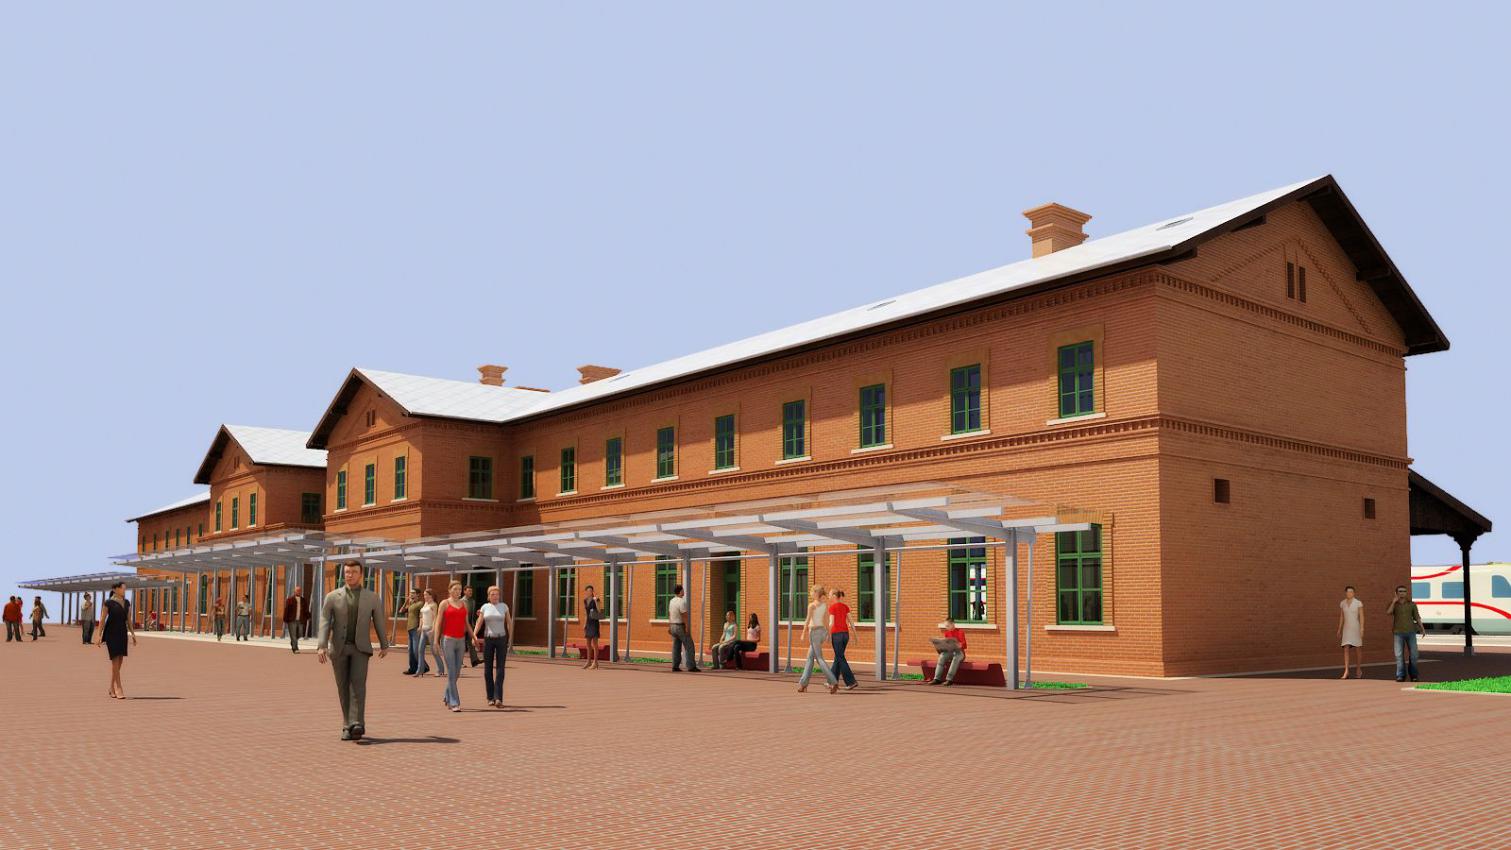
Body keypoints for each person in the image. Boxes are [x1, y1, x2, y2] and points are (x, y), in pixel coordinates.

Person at [316, 561, 389, 741]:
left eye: (354, 572)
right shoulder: (332, 596)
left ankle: (357, 723)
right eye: (347, 572)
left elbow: (379, 621)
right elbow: (325, 620)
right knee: (343, 688)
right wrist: (321, 645)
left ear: (361, 574)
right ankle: (346, 725)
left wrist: (384, 643)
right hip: (339, 648)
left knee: (358, 685)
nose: (350, 575)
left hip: (360, 648)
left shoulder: (372, 597)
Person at [471, 585, 513, 707]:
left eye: (497, 594)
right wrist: (474, 636)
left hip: (501, 639)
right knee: (487, 669)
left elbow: (509, 623)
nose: (495, 596)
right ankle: (490, 697)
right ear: (489, 596)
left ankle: (498, 697)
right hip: (488, 639)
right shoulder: (485, 607)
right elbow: (479, 622)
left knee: (500, 669)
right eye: (493, 594)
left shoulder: (504, 606)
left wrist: (510, 638)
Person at [95, 582, 136, 699]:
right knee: (115, 660)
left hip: (122, 633)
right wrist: (98, 635)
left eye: (125, 589)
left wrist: (133, 634)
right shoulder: (108, 603)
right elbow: (102, 620)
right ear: (115, 589)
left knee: (120, 662)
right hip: (111, 633)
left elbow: (128, 620)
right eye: (122, 588)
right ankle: (118, 687)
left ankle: (111, 687)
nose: (124, 591)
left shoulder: (127, 603)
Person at [434, 582, 470, 711]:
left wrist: (474, 637)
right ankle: (454, 702)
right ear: (449, 590)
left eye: (459, 589)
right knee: (451, 671)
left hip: (461, 641)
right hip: (448, 640)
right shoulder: (444, 603)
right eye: (455, 589)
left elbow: (467, 623)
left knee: (457, 672)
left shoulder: (464, 604)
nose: (458, 591)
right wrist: (436, 641)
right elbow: (438, 623)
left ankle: (447, 695)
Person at [798, 586, 837, 693]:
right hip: (822, 632)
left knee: (819, 658)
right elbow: (826, 620)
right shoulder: (824, 605)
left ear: (816, 593)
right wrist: (828, 634)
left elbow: (807, 620)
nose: (810, 593)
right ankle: (803, 684)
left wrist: (803, 633)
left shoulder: (812, 605)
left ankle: (833, 682)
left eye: (811, 592)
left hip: (814, 633)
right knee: (810, 658)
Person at [1386, 584, 1425, 683]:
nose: (1402, 593)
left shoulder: (1412, 604)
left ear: (1406, 593)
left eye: (1404, 591)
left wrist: (1422, 628)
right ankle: (1400, 675)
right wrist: (1393, 602)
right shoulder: (1394, 604)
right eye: (1400, 591)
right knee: (1399, 655)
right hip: (1398, 633)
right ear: (1396, 593)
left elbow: (1417, 617)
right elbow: (1388, 612)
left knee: (1414, 655)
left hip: (1411, 632)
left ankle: (1414, 675)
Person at [828, 589, 857, 690]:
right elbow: (851, 622)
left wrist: (826, 633)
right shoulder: (845, 607)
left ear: (834, 596)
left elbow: (831, 623)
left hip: (837, 635)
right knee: (838, 657)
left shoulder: (832, 607)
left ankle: (851, 682)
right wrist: (855, 635)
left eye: (830, 594)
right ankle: (832, 682)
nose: (828, 596)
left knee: (840, 658)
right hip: (845, 635)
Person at [928, 617, 968, 686]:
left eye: (947, 626)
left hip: (959, 653)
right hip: (950, 652)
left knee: (956, 658)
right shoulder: (947, 633)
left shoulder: (960, 632)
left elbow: (965, 645)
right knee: (942, 656)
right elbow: (946, 646)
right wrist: (940, 648)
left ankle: (949, 679)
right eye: (945, 626)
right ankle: (937, 679)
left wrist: (959, 645)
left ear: (953, 624)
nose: (946, 628)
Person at [668, 584, 699, 672]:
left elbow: (669, 614)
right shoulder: (682, 602)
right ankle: (691, 666)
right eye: (683, 590)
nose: (684, 591)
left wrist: (669, 626)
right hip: (680, 626)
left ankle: (675, 666)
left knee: (676, 647)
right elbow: (684, 615)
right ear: (680, 591)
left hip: (673, 625)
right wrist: (687, 627)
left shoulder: (671, 601)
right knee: (689, 646)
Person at [414, 589, 444, 677]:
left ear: (431, 595)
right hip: (423, 630)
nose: (424, 596)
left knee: (434, 651)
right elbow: (421, 616)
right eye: (424, 595)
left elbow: (435, 618)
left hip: (430, 629)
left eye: (426, 595)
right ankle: (420, 670)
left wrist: (433, 629)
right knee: (420, 650)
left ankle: (440, 669)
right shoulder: (425, 604)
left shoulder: (434, 605)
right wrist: (420, 627)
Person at [1337, 585, 1364, 679]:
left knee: (1358, 648)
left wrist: (1362, 628)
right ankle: (1346, 671)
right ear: (1346, 593)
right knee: (1346, 648)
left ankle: (1358, 669)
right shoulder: (1342, 603)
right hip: (1346, 628)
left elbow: (1361, 616)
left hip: (1355, 628)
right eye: (1348, 592)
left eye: (1352, 592)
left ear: (1354, 593)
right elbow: (1341, 617)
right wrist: (1339, 629)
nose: (1350, 593)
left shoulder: (1358, 603)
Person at [283, 586, 311, 653]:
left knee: (300, 633)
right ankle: (295, 648)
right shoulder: (290, 600)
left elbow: (306, 610)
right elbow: (286, 610)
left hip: (300, 620)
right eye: (297, 590)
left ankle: (293, 642)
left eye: (299, 590)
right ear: (294, 591)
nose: (298, 592)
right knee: (293, 635)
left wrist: (308, 616)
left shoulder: (303, 600)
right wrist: (285, 619)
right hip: (291, 620)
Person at [581, 584, 603, 670]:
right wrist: (585, 624)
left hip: (594, 623)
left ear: (592, 592)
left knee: (595, 644)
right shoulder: (585, 600)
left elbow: (599, 610)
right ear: (586, 592)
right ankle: (588, 661)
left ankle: (595, 662)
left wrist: (596, 600)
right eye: (588, 591)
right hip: (588, 623)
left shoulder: (596, 599)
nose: (589, 592)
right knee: (588, 644)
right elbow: (586, 613)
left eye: (590, 591)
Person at [401, 590, 422, 675]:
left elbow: (421, 616)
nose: (411, 594)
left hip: (415, 628)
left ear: (418, 594)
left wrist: (420, 627)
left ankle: (423, 667)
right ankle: (412, 669)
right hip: (409, 629)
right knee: (410, 650)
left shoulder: (420, 604)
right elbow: (401, 611)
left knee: (415, 650)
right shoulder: (411, 603)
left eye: (413, 593)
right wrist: (406, 601)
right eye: (410, 593)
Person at [461, 585, 481, 668]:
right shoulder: (461, 601)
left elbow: (472, 614)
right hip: (462, 626)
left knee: (471, 643)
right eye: (469, 591)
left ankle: (474, 660)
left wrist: (477, 614)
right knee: (461, 645)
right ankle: (460, 662)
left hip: (470, 626)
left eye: (471, 591)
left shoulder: (473, 601)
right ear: (464, 591)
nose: (470, 592)